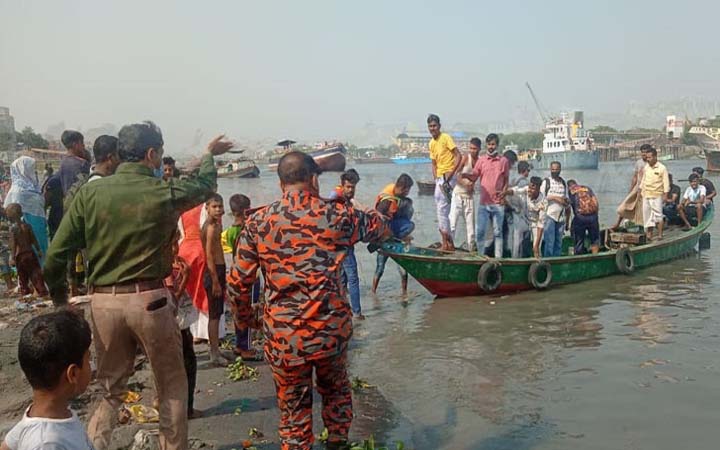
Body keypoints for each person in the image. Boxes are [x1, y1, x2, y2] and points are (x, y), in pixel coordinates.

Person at [44, 121, 233, 450]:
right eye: (159, 154)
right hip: (151, 301)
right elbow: (204, 186)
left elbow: (55, 257)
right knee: (171, 386)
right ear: (151, 154)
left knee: (110, 391)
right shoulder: (162, 190)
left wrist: (60, 301)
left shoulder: (90, 192)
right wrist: (208, 155)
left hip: (103, 303)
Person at [227, 151, 389, 450]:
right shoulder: (338, 215)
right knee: (336, 393)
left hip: (285, 339)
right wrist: (363, 208)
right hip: (330, 334)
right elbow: (380, 226)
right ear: (314, 180)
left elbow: (238, 283)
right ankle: (337, 442)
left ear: (280, 184)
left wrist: (248, 321)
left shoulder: (259, 222)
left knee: (293, 416)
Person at [0, 310, 93, 450]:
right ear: (73, 374)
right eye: (88, 359)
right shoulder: (46, 443)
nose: (91, 365)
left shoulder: (51, 415)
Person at [164, 232, 201, 419]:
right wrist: (185, 277)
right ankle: (186, 410)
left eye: (176, 243)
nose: (175, 248)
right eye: (171, 244)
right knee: (187, 364)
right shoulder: (167, 269)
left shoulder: (172, 264)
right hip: (175, 323)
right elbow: (173, 300)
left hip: (177, 323)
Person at [222, 193, 260, 357]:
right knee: (250, 310)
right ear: (246, 210)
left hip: (235, 272)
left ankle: (240, 344)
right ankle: (246, 347)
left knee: (238, 310)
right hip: (250, 274)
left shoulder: (228, 232)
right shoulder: (249, 231)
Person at [461, 134, 510, 258]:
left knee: (497, 232)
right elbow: (474, 175)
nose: (491, 147)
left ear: (497, 145)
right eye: (489, 144)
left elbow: (506, 180)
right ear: (486, 145)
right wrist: (464, 175)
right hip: (484, 203)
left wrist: (504, 194)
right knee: (480, 232)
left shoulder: (503, 161)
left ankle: (498, 258)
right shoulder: (481, 160)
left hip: (498, 204)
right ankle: (480, 256)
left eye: (493, 144)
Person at [328, 169, 365, 318]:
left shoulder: (344, 200)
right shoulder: (335, 200)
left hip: (340, 244)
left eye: (353, 187)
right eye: (348, 187)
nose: (351, 190)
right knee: (353, 279)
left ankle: (342, 310)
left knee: (342, 279)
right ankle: (357, 313)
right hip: (343, 245)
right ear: (342, 186)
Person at [371, 174, 414, 296]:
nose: (408, 192)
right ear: (402, 188)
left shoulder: (401, 200)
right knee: (380, 268)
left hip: (395, 235)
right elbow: (377, 218)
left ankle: (404, 294)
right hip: (385, 238)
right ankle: (373, 293)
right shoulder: (387, 200)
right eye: (407, 190)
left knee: (403, 269)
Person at [201, 193, 231, 366]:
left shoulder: (216, 224)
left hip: (218, 270)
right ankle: (214, 354)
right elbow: (209, 255)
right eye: (214, 206)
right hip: (213, 272)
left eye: (220, 206)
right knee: (214, 315)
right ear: (207, 208)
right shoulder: (211, 228)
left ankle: (216, 350)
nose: (218, 209)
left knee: (218, 313)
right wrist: (215, 281)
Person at [3, 156, 49, 261]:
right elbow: (13, 212)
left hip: (39, 227)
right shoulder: (18, 191)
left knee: (41, 253)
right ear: (24, 170)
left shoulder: (33, 187)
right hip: (27, 231)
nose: (34, 171)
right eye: (32, 168)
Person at [428, 114, 462, 251]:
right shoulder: (431, 143)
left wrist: (452, 173)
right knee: (441, 210)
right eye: (430, 126)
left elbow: (459, 155)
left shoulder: (445, 138)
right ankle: (448, 243)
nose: (432, 129)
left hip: (448, 177)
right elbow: (433, 162)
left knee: (442, 209)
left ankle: (447, 244)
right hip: (440, 179)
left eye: (434, 126)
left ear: (439, 126)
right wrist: (436, 177)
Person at [6, 203, 48, 297]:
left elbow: (13, 245)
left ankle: (25, 292)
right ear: (21, 214)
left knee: (23, 276)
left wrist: (12, 257)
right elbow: (34, 240)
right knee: (36, 273)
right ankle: (42, 291)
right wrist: (39, 250)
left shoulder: (13, 229)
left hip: (20, 256)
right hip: (30, 253)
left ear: (10, 217)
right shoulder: (27, 226)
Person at [503, 176, 546, 258]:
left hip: (536, 224)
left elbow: (541, 226)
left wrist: (536, 246)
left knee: (536, 247)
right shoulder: (527, 189)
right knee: (516, 240)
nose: (530, 190)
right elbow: (515, 191)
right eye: (529, 187)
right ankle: (514, 260)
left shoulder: (543, 202)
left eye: (533, 189)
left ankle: (538, 262)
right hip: (524, 219)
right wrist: (505, 192)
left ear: (538, 189)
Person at [449, 138, 479, 251]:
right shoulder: (466, 158)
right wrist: (465, 182)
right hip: (458, 195)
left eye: (474, 148)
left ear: (479, 149)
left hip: (469, 197)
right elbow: (457, 174)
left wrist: (468, 179)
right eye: (470, 148)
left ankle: (472, 250)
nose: (472, 150)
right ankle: (449, 248)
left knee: (471, 228)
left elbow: (476, 177)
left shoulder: (479, 162)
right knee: (452, 223)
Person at [612, 144, 650, 230]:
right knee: (625, 205)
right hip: (637, 187)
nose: (644, 154)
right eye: (642, 152)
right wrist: (631, 189)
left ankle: (644, 229)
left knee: (643, 209)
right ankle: (617, 223)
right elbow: (635, 177)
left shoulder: (652, 163)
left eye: (646, 152)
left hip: (647, 189)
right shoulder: (639, 163)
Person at [539, 161, 570, 257]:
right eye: (553, 169)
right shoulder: (546, 182)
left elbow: (566, 199)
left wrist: (565, 201)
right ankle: (548, 261)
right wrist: (555, 198)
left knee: (559, 242)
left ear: (560, 170)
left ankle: (557, 261)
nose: (555, 171)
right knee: (549, 241)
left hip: (560, 217)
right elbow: (541, 198)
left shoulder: (563, 183)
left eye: (557, 169)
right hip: (549, 215)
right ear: (550, 169)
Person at [640, 147, 670, 241]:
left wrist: (665, 195)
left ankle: (660, 234)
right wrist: (640, 191)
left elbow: (666, 182)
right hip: (646, 194)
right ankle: (649, 234)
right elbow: (643, 180)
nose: (648, 159)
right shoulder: (646, 167)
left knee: (658, 215)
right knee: (647, 215)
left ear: (655, 157)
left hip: (657, 195)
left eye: (649, 157)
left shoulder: (662, 168)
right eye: (647, 158)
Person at [567, 180, 600, 255]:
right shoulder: (587, 188)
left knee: (579, 239)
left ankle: (579, 256)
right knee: (595, 239)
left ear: (568, 186)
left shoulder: (571, 191)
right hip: (593, 217)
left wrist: (567, 223)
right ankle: (595, 256)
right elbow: (596, 202)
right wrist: (595, 216)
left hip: (580, 218)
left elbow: (569, 207)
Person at [58, 130, 91, 196]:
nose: (83, 145)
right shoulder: (82, 164)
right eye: (81, 143)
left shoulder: (63, 162)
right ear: (75, 145)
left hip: (68, 201)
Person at [0, 207, 16, 292]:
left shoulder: (5, 213)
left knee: (7, 262)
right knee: (4, 262)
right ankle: (9, 284)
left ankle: (11, 284)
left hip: (9, 241)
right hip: (3, 244)